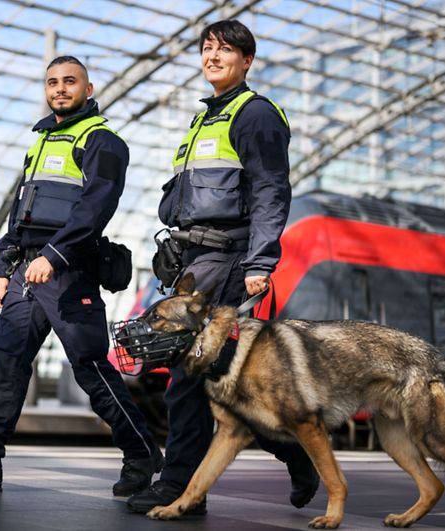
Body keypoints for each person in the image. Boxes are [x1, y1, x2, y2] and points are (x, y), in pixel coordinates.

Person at [0, 56, 163, 496]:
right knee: (6, 366)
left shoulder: (102, 141)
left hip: (69, 273)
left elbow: (96, 208)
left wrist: (54, 256)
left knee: (91, 369)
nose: (59, 89)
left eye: (69, 81)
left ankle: (141, 453)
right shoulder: (39, 143)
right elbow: (21, 211)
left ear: (88, 89)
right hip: (26, 273)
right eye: (52, 82)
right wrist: (4, 265)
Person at [128, 20, 319, 515]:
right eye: (206, 48)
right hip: (194, 262)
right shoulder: (205, 120)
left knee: (188, 377)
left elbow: (271, 191)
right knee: (218, 381)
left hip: (230, 260)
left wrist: (259, 261)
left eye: (225, 50)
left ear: (247, 60)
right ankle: (294, 456)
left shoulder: (254, 115)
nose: (212, 56)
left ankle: (178, 488)